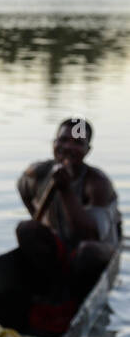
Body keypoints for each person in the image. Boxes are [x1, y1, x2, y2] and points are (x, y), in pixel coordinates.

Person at [16, 118, 120, 302]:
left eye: (77, 143)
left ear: (88, 150)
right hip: (60, 248)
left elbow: (90, 235)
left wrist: (66, 191)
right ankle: (50, 285)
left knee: (87, 251)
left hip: (95, 249)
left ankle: (70, 296)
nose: (68, 147)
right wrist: (40, 222)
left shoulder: (96, 183)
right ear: (54, 144)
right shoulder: (38, 172)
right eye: (63, 140)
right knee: (26, 228)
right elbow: (23, 189)